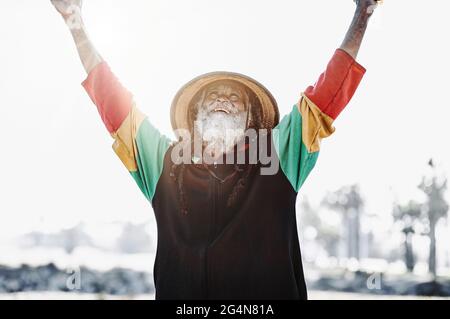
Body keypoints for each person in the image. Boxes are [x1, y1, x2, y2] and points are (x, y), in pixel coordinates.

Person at [51, 0, 379, 300]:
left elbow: (327, 93)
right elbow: (113, 102)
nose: (222, 100)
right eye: (211, 98)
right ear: (193, 119)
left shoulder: (278, 158)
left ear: (252, 120)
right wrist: (75, 24)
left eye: (235, 99)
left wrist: (362, 13)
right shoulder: (164, 165)